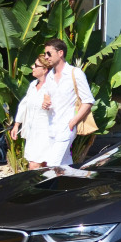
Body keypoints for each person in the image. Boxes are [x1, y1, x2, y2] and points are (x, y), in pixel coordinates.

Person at [39, 38, 95, 167]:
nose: (46, 57)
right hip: (52, 127)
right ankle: (75, 184)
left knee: (52, 165)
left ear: (60, 53)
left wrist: (73, 122)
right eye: (45, 54)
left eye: (49, 53)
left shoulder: (75, 73)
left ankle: (49, 187)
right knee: (65, 165)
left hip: (66, 127)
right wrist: (45, 103)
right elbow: (48, 97)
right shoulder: (50, 76)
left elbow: (88, 101)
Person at [11, 56, 56, 169]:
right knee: (44, 167)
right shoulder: (33, 85)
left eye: (36, 66)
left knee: (34, 166)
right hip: (32, 132)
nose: (32, 67)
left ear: (45, 69)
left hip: (46, 133)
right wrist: (17, 124)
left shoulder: (53, 86)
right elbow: (24, 105)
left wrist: (51, 104)